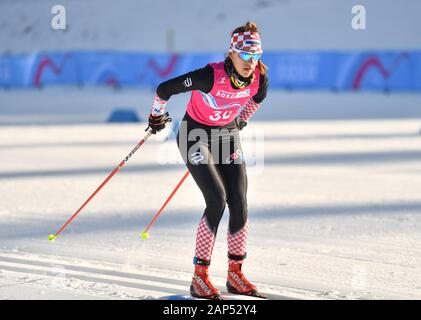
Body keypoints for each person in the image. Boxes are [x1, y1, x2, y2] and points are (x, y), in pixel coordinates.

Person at [145, 21, 268, 300]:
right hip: (194, 135)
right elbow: (164, 89)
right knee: (217, 199)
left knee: (239, 200)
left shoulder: (260, 77)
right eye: (246, 55)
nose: (251, 62)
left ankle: (235, 274)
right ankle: (199, 278)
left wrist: (241, 119)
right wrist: (155, 116)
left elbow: (257, 99)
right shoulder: (209, 76)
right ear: (232, 53)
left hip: (226, 136)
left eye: (257, 56)